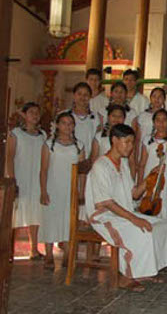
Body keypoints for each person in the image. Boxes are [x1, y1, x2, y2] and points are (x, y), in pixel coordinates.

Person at [85, 124, 167, 292]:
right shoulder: (101, 166)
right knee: (141, 230)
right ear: (114, 140)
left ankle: (145, 269)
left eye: (132, 142)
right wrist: (134, 219)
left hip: (122, 211)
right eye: (127, 142)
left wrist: (150, 178)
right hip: (104, 215)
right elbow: (106, 202)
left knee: (162, 225)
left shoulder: (123, 164)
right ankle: (125, 277)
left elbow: (133, 194)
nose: (131, 147)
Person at [39, 111, 85, 269]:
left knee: (69, 222)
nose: (67, 126)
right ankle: (49, 255)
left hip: (71, 189)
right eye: (64, 123)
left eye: (70, 123)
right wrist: (43, 191)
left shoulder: (79, 145)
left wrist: (81, 191)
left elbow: (82, 171)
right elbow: (43, 169)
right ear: (57, 125)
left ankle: (67, 255)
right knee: (50, 219)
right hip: (53, 187)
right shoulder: (49, 144)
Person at [6, 102, 46, 259]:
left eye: (37, 112)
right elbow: (9, 157)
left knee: (35, 213)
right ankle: (9, 250)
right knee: (15, 213)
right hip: (20, 177)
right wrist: (12, 179)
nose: (35, 115)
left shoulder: (42, 135)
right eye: (31, 112)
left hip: (36, 178)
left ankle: (34, 249)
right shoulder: (15, 134)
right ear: (24, 115)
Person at [138, 109, 167, 236]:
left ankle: (165, 240)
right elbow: (142, 164)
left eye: (164, 120)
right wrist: (140, 183)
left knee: (166, 206)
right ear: (153, 123)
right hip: (150, 181)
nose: (161, 123)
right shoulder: (147, 140)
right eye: (158, 120)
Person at [65, 82, 101, 159]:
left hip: (88, 160)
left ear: (90, 97)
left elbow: (97, 141)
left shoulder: (95, 117)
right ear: (74, 96)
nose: (82, 97)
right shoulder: (64, 115)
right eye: (79, 94)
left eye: (86, 95)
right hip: (66, 157)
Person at [135, 87, 167, 157]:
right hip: (144, 150)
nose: (157, 99)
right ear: (150, 98)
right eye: (154, 96)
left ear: (164, 99)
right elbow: (138, 139)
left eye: (160, 96)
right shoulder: (142, 116)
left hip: (161, 150)